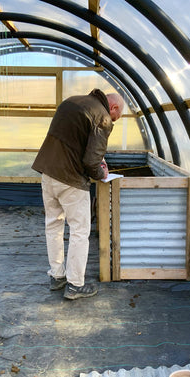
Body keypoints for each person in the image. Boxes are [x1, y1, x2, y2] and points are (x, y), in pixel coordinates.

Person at [32, 88, 124, 300]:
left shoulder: (71, 102)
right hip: (71, 181)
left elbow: (72, 141)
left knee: (53, 225)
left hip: (48, 173)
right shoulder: (102, 117)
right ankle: (75, 285)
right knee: (79, 231)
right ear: (114, 107)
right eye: (116, 118)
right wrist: (102, 173)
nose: (113, 121)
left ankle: (57, 276)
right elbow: (90, 161)